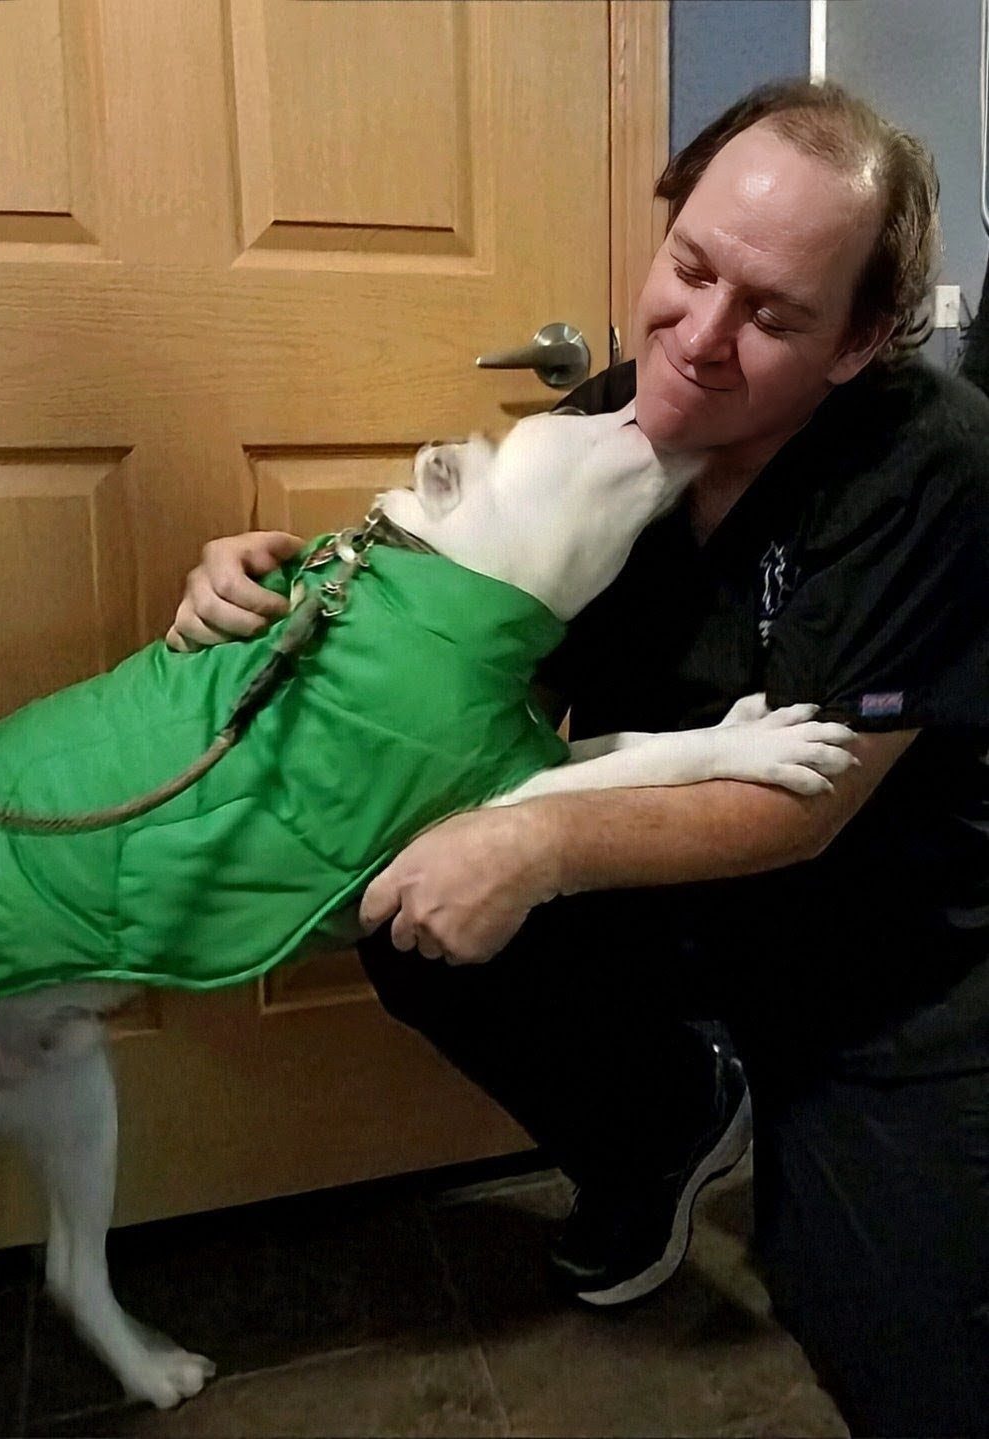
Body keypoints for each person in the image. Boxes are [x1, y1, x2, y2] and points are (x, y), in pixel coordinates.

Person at [166, 81, 989, 1438]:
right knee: (415, 914)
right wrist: (279, 600)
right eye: (691, 269)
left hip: (883, 966)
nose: (700, 339)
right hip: (679, 906)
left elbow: (804, 805)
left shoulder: (934, 470)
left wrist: (533, 840)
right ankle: (663, 1128)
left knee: (899, 1355)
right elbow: (469, 661)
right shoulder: (612, 420)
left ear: (858, 342)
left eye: (772, 315)